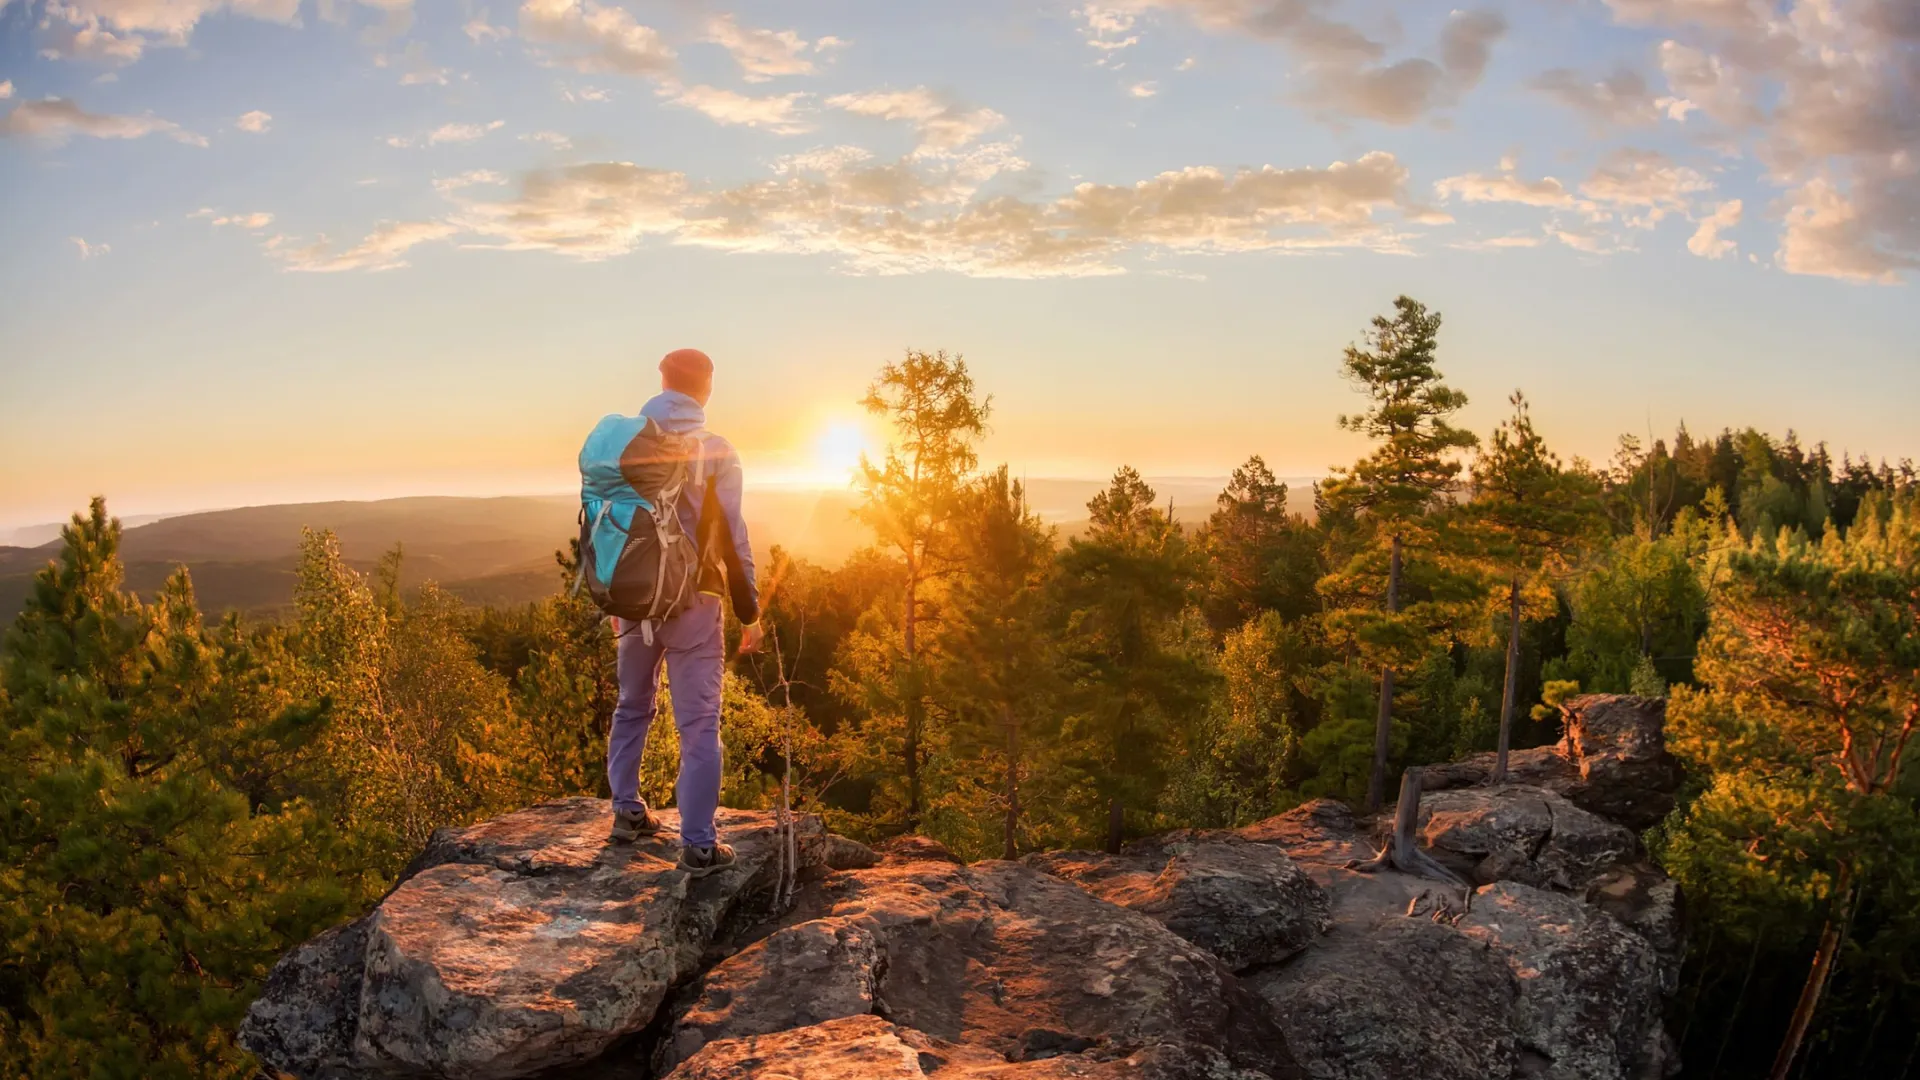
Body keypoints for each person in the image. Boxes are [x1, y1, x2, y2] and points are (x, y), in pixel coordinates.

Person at [606, 347, 765, 876]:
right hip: (695, 602)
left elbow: (611, 522)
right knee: (698, 725)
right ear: (707, 388)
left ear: (662, 381)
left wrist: (617, 595)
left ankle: (627, 811)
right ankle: (698, 844)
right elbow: (734, 536)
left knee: (632, 704)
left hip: (634, 599)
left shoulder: (630, 445)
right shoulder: (717, 450)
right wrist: (750, 612)